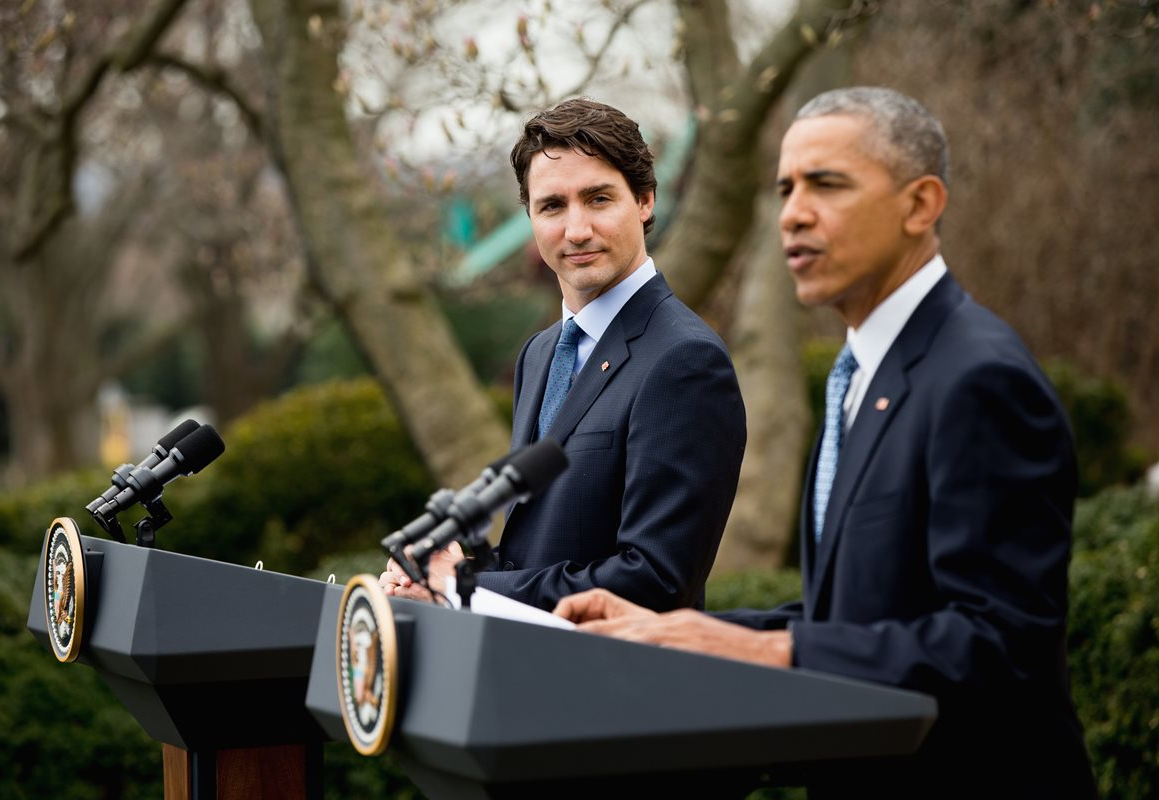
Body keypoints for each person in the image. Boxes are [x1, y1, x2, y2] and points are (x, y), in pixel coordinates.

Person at [554, 87, 1097, 797]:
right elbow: (857, 617)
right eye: (784, 189)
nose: (794, 214)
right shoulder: (856, 376)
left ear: (921, 205)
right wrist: (680, 632)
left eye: (827, 185)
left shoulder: (979, 378)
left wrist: (770, 650)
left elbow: (1000, 649)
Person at [380, 98, 747, 612]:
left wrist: (467, 590)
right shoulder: (540, 353)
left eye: (598, 199)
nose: (576, 230)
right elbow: (539, 551)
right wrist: (447, 573)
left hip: (617, 683)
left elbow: (656, 577)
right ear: (530, 216)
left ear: (644, 202)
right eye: (552, 206)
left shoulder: (686, 361)